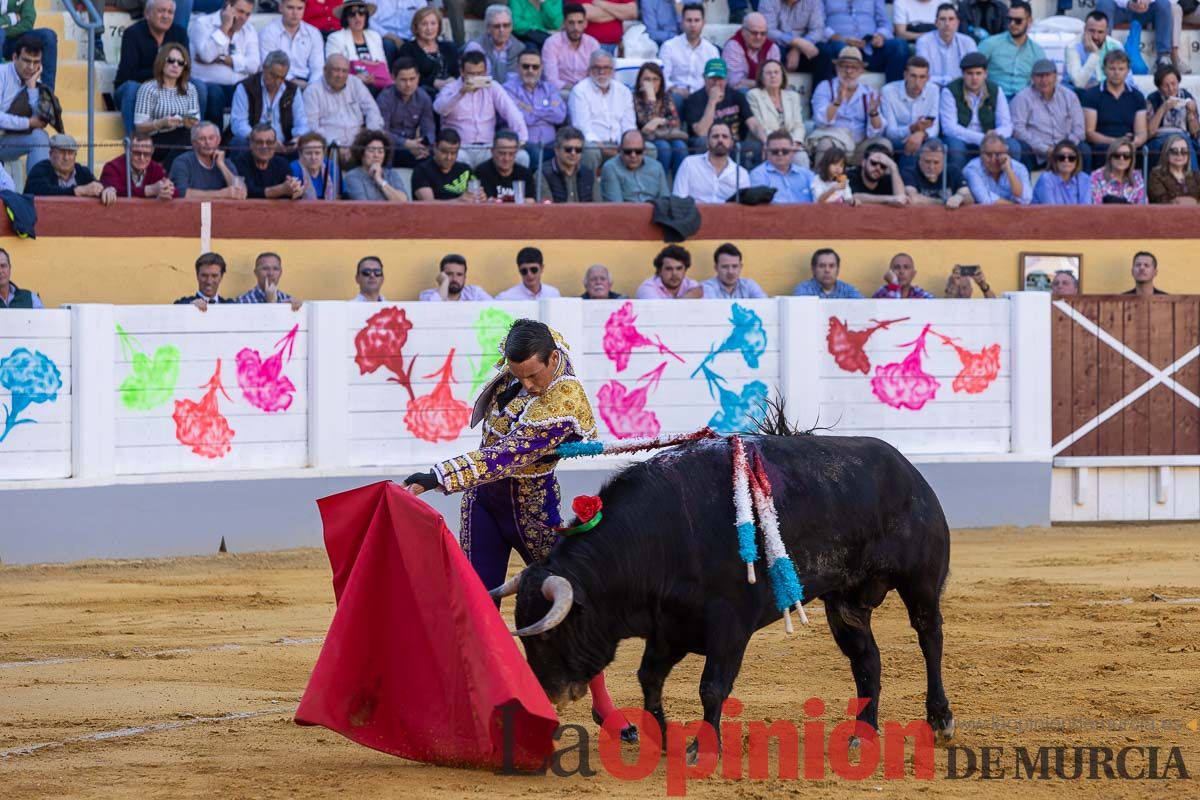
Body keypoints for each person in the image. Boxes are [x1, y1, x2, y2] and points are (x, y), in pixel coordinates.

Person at [402, 318, 638, 745]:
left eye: (534, 375)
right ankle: (477, 703)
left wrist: (437, 476)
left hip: (530, 508)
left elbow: (504, 457)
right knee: (477, 603)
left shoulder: (564, 399)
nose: (528, 384)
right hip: (483, 504)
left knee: (570, 599)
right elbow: (537, 340)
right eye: (518, 375)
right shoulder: (533, 351)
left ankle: (602, 702)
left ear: (552, 361)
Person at [435, 50, 530, 169]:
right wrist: (461, 93)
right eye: (471, 74)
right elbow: (440, 109)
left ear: (485, 72)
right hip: (459, 149)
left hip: (488, 148)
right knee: (454, 158)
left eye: (479, 73)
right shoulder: (451, 88)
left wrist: (521, 140)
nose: (476, 78)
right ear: (462, 72)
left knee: (522, 157)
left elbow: (512, 112)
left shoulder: (493, 87)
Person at [116, 0, 196, 136]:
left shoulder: (179, 34)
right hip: (137, 90)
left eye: (170, 12)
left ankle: (192, 141)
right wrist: (162, 72)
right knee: (131, 88)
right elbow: (127, 74)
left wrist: (167, 75)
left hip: (170, 89)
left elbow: (185, 70)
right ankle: (134, 143)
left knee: (199, 87)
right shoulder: (133, 34)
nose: (165, 16)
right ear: (147, 13)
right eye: (161, 11)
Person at [939, 52, 1020, 177]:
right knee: (956, 148)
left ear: (985, 74)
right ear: (963, 74)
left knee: (1013, 146)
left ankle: (1008, 184)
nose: (974, 78)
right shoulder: (950, 91)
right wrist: (982, 138)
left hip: (991, 138)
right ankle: (960, 187)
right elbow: (949, 127)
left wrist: (995, 138)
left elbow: (1006, 124)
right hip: (962, 138)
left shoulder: (995, 90)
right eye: (969, 73)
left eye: (978, 73)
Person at [682, 59, 767, 165]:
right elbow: (701, 132)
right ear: (704, 78)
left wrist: (766, 140)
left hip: (734, 142)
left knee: (757, 146)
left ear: (726, 79)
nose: (717, 83)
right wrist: (712, 102)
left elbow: (753, 124)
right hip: (709, 144)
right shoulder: (694, 100)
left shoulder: (737, 96)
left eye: (720, 79)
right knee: (702, 141)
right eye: (712, 79)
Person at [190, 0, 260, 125]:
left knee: (255, 91)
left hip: (237, 85)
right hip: (208, 84)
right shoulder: (202, 24)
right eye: (240, 11)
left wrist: (224, 59)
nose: (243, 18)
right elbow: (207, 56)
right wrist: (224, 27)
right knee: (215, 94)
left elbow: (254, 65)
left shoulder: (249, 30)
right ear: (228, 6)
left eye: (247, 14)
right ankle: (216, 141)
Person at [810, 47, 886, 161]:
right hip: (834, 140)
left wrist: (874, 113)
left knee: (884, 145)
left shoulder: (869, 93)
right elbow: (820, 121)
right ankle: (822, 179)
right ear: (837, 68)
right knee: (825, 144)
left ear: (861, 71)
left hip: (860, 145)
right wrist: (837, 102)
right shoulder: (825, 87)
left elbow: (877, 130)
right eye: (845, 66)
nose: (849, 71)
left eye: (854, 67)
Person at [133, 43, 202, 168]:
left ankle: (167, 170)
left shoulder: (190, 89)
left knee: (194, 135)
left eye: (181, 63)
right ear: (161, 62)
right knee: (189, 139)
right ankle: (167, 172)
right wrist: (161, 123)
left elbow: (196, 120)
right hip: (155, 139)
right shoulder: (148, 88)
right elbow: (139, 126)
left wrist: (189, 121)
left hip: (182, 135)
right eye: (171, 60)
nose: (175, 65)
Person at [1011, 59, 1088, 170]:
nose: (1044, 80)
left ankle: (1085, 186)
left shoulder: (1070, 96)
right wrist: (1045, 149)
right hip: (1036, 151)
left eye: (1048, 75)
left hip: (1066, 148)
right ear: (1032, 78)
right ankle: (1025, 187)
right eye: (1039, 76)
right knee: (1022, 149)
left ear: (1055, 77)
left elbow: (1079, 129)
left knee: (1084, 149)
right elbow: (1018, 130)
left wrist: (1064, 148)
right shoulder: (1022, 98)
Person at [569, 50, 635, 173]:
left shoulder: (624, 91)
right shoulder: (579, 91)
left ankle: (636, 190)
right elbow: (583, 129)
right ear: (589, 70)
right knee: (589, 151)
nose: (601, 71)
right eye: (597, 67)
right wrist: (603, 147)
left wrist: (624, 146)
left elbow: (629, 126)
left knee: (649, 149)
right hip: (595, 145)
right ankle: (588, 190)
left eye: (606, 67)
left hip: (620, 144)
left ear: (613, 70)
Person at [230, 51, 309, 154]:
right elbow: (238, 124)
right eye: (273, 76)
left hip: (284, 147)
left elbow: (301, 123)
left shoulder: (292, 90)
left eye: (282, 77)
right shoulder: (246, 87)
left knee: (308, 145)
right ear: (264, 68)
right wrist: (266, 141)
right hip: (255, 144)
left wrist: (297, 139)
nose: (277, 82)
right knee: (239, 141)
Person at [1081, 50, 1148, 168]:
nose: (1116, 73)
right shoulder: (1092, 95)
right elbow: (1089, 133)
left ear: (1127, 71)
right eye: (1112, 69)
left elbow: (1142, 132)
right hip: (1103, 144)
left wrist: (1133, 142)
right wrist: (1116, 142)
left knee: (1144, 150)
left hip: (1129, 144)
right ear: (1104, 70)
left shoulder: (1137, 96)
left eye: (1121, 69)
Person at [816, 0, 909, 84]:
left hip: (870, 48)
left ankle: (892, 97)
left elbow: (885, 23)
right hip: (840, 46)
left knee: (899, 45)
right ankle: (836, 97)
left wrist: (880, 36)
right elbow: (818, 24)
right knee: (840, 49)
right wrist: (840, 38)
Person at [881, 55, 941, 183]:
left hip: (923, 138)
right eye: (913, 76)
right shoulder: (888, 91)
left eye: (922, 77)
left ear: (928, 78)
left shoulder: (934, 90)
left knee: (938, 146)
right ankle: (907, 187)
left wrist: (921, 133)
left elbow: (935, 127)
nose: (917, 82)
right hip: (897, 140)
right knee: (913, 146)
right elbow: (890, 133)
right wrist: (911, 129)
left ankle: (937, 188)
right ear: (905, 75)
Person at [304, 54, 385, 149]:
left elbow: (372, 110)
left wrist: (370, 137)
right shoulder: (312, 91)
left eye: (344, 71)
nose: (340, 75)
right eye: (336, 70)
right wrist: (335, 145)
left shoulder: (355, 83)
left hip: (359, 145)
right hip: (329, 147)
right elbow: (311, 127)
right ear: (325, 70)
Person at [503, 50, 567, 169]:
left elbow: (560, 116)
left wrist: (531, 110)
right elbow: (523, 119)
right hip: (526, 143)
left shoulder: (550, 88)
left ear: (541, 68)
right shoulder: (508, 89)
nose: (530, 70)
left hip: (552, 143)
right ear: (518, 67)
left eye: (535, 67)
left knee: (570, 151)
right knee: (536, 156)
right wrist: (547, 110)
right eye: (526, 66)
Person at [0, 34, 50, 170]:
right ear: (15, 57)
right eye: (27, 61)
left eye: (36, 62)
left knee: (40, 137)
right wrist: (28, 123)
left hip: (7, 140)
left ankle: (37, 188)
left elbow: (38, 120)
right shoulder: (2, 74)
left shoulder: (34, 80)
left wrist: (32, 87)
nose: (32, 67)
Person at [976, 0, 1044, 99]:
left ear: (1029, 21)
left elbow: (1043, 81)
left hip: (1023, 102)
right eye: (1009, 20)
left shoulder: (1037, 51)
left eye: (1018, 21)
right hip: (993, 100)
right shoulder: (990, 44)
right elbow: (972, 71)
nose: (1012, 24)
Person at [375, 57, 435, 168]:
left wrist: (424, 145)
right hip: (391, 147)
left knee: (433, 156)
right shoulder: (384, 98)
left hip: (414, 147)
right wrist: (406, 143)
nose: (408, 84)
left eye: (412, 79)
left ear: (418, 78)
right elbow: (382, 132)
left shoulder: (423, 97)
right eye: (403, 80)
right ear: (393, 78)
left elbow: (429, 128)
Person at [747, 60, 808, 167]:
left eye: (776, 72)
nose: (773, 76)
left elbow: (798, 125)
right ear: (761, 77)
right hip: (766, 142)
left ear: (782, 76)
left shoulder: (793, 96)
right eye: (768, 73)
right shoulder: (754, 95)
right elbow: (760, 126)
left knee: (800, 156)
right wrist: (782, 144)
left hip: (791, 143)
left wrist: (795, 142)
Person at [25, 134, 116, 205]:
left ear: (75, 156)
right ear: (51, 154)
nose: (66, 158)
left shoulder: (81, 171)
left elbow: (96, 186)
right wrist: (79, 190)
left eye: (70, 153)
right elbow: (44, 191)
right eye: (61, 152)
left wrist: (107, 190)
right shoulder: (40, 170)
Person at [673, 121, 752, 202]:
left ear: (731, 143)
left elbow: (744, 210)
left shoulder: (741, 174)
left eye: (725, 136)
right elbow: (678, 201)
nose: (720, 140)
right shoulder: (689, 164)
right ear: (707, 142)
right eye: (715, 136)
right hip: (694, 214)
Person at [632, 61, 688, 175]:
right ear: (640, 82)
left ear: (661, 81)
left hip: (665, 135)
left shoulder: (666, 97)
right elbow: (645, 124)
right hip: (644, 138)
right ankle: (661, 188)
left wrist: (658, 121)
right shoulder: (634, 98)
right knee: (663, 147)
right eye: (647, 79)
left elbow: (675, 122)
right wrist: (651, 99)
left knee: (680, 146)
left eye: (655, 79)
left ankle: (678, 190)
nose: (651, 83)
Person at [168, 121, 246, 199]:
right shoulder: (182, 162)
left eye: (211, 138)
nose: (207, 142)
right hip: (190, 209)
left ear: (218, 140)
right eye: (202, 139)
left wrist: (222, 166)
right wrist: (221, 194)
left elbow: (242, 194)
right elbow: (181, 193)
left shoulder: (226, 163)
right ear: (194, 143)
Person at [659, 4, 720, 101]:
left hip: (702, 97)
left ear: (703, 23)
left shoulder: (712, 51)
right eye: (689, 20)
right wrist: (675, 89)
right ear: (682, 22)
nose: (693, 25)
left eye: (697, 20)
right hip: (677, 95)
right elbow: (662, 78)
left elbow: (715, 79)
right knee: (675, 98)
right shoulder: (668, 47)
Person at [258, 0, 325, 87]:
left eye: (299, 8)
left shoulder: (313, 33)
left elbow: (318, 68)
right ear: (280, 8)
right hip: (277, 83)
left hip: (307, 84)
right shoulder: (268, 33)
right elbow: (268, 66)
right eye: (290, 7)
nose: (295, 13)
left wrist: (311, 88)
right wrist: (292, 83)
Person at [325, 0, 387, 93]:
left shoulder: (375, 36)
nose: (357, 18)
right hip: (348, 85)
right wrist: (354, 78)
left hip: (376, 83)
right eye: (352, 14)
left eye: (361, 13)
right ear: (345, 18)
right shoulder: (335, 38)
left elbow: (383, 65)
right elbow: (333, 68)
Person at [398, 7, 459, 99]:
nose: (429, 28)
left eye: (433, 23)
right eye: (424, 24)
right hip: (423, 94)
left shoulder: (449, 47)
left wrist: (453, 80)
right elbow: (406, 76)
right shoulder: (407, 49)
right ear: (416, 27)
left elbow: (459, 72)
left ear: (439, 26)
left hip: (451, 92)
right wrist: (434, 83)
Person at [1146, 62, 1200, 167]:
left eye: (1173, 84)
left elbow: (1195, 134)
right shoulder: (1152, 99)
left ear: (1178, 82)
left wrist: (1191, 113)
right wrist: (1162, 109)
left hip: (1183, 137)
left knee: (1187, 146)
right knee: (1157, 148)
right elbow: (1149, 133)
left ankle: (1193, 182)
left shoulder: (1187, 97)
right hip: (1160, 138)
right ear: (1159, 87)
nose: (1171, 89)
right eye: (1166, 86)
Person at [1096, 0, 1173, 71]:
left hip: (1144, 10)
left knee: (1164, 4)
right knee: (1104, 3)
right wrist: (1128, 3)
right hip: (1119, 9)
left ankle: (1163, 58)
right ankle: (1104, 54)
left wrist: (1146, 1)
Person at [232, 124, 302, 199]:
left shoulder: (282, 164)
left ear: (275, 145)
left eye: (269, 142)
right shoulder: (240, 162)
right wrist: (281, 190)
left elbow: (290, 193)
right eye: (259, 142)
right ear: (251, 144)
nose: (264, 146)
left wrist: (294, 188)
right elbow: (248, 192)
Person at [1, 0, 57, 92]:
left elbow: (27, 23)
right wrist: (12, 18)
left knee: (48, 36)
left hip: (15, 40)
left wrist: (5, 30)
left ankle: (47, 96)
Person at [599, 129, 671, 201]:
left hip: (655, 211)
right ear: (620, 150)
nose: (633, 155)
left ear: (644, 150)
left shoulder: (657, 167)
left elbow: (665, 201)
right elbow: (617, 207)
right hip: (627, 211)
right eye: (628, 151)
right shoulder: (611, 168)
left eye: (638, 151)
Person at [542, 4, 600, 91]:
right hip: (560, 92)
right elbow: (551, 80)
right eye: (571, 23)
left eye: (580, 22)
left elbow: (596, 75)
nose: (576, 28)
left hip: (586, 91)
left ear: (585, 23)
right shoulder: (551, 43)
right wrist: (576, 90)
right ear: (564, 23)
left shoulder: (592, 44)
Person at [758, 0, 825, 75]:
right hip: (778, 43)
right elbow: (767, 30)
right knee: (775, 50)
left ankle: (820, 86)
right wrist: (795, 41)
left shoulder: (813, 1)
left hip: (804, 43)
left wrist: (798, 48)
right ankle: (775, 85)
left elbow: (817, 30)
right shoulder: (768, 1)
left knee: (824, 52)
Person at [1065, 11, 1125, 94]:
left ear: (1107, 31)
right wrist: (1095, 54)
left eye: (1100, 32)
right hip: (1078, 94)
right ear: (1085, 29)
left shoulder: (1116, 46)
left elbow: (1127, 78)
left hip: (1107, 92)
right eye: (1092, 31)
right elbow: (1079, 83)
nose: (1095, 36)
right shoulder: (1072, 47)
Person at [916, 3, 976, 87]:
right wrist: (951, 80)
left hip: (960, 90)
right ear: (936, 23)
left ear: (957, 22)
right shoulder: (924, 41)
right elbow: (922, 75)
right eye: (942, 19)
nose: (947, 24)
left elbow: (973, 73)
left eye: (951, 19)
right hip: (932, 89)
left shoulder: (968, 42)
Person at [964, 131, 1032, 204]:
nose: (993, 160)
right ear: (981, 153)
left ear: (1006, 152)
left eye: (998, 154)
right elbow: (985, 201)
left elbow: (1025, 199)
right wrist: (1014, 205)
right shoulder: (972, 169)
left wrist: (1008, 170)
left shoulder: (1019, 168)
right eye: (989, 154)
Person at [101, 133, 175, 199]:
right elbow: (115, 190)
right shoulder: (112, 167)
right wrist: (150, 190)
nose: (142, 158)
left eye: (146, 154)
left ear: (152, 151)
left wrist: (168, 190)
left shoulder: (157, 169)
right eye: (137, 153)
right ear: (127, 151)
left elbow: (176, 193)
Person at [413, 129, 480, 201]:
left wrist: (481, 197)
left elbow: (476, 194)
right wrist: (458, 201)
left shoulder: (465, 169)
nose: (449, 157)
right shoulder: (421, 171)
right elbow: (429, 205)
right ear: (435, 147)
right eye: (444, 152)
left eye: (453, 153)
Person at [749, 129, 815, 202]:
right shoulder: (758, 175)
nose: (780, 154)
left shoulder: (807, 175)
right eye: (775, 151)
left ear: (792, 152)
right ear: (766, 152)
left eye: (785, 151)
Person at [344, 128, 410, 200]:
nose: (376, 155)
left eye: (380, 151)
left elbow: (404, 202)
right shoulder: (352, 176)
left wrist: (380, 180)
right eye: (371, 151)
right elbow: (363, 207)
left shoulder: (392, 174)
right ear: (361, 153)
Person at [465, 6, 525, 84]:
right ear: (488, 28)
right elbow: (473, 82)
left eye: (506, 25)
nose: (502, 30)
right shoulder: (475, 47)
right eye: (497, 26)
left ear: (511, 27)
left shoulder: (520, 49)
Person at [905, 138, 972, 206]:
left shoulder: (953, 171)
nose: (931, 167)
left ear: (944, 162)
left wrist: (959, 197)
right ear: (920, 160)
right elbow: (913, 198)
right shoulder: (910, 173)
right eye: (927, 162)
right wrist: (944, 202)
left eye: (936, 162)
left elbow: (969, 197)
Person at [723, 13, 782, 91]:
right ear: (743, 31)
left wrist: (764, 84)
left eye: (763, 33)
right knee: (742, 90)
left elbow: (777, 79)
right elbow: (735, 82)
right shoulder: (733, 46)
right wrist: (765, 83)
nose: (758, 37)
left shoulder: (773, 48)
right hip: (741, 95)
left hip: (767, 92)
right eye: (754, 33)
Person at [539, 126, 598, 202]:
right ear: (557, 150)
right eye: (568, 149)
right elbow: (546, 209)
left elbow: (598, 207)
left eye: (578, 150)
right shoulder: (543, 174)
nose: (573, 153)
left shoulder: (589, 174)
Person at [475, 129, 535, 202]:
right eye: (502, 153)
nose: (506, 159)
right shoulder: (481, 171)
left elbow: (531, 200)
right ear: (492, 151)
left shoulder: (525, 174)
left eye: (511, 154)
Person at [1033, 140, 1092, 205]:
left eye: (1071, 158)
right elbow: (1051, 211)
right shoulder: (1046, 179)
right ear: (1055, 160)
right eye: (1061, 157)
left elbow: (1086, 209)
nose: (1066, 160)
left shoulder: (1084, 179)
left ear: (1077, 161)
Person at [1090, 135, 1146, 203]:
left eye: (1126, 156)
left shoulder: (1137, 177)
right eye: (1117, 155)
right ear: (1110, 157)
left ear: (1131, 160)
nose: (1121, 159)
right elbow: (1096, 207)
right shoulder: (1096, 177)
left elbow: (1143, 206)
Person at [701, 242, 768, 299]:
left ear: (740, 267)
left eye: (735, 266)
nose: (730, 271)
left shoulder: (749, 285)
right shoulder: (706, 287)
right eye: (725, 267)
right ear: (716, 268)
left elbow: (765, 306)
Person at [368, 0, 424, 66]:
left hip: (411, 37)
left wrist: (415, 38)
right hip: (384, 36)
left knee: (418, 46)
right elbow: (368, 20)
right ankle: (387, 75)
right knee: (388, 45)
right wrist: (393, 37)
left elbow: (424, 18)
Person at [635, 244, 702, 298]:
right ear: (659, 271)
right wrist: (686, 299)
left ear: (685, 270)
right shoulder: (647, 288)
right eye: (669, 269)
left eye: (679, 268)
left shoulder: (690, 284)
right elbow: (660, 312)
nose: (674, 273)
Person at [1148, 133, 1200, 203]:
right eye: (1174, 151)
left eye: (1184, 151)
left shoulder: (1196, 176)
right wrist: (1193, 202)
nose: (1179, 155)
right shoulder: (1157, 175)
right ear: (1166, 153)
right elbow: (1162, 202)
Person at [418, 253, 493, 301]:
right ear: (442, 276)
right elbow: (432, 311)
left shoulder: (474, 293)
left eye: (459, 274)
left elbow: (496, 309)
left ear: (465, 277)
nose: (454, 279)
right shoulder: (427, 295)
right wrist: (444, 282)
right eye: (449, 274)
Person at [793, 247, 863, 298]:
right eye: (822, 266)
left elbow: (862, 310)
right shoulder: (804, 290)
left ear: (838, 269)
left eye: (831, 266)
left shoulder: (848, 290)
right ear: (813, 269)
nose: (827, 270)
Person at [496, 247, 563, 300]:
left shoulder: (553, 294)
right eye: (524, 271)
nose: (529, 274)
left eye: (534, 270)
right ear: (519, 270)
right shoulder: (506, 297)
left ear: (542, 268)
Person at [290, 131, 341, 199]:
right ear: (300, 153)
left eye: (317, 153)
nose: (313, 158)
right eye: (308, 153)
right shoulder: (293, 168)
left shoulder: (331, 167)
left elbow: (339, 196)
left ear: (323, 153)